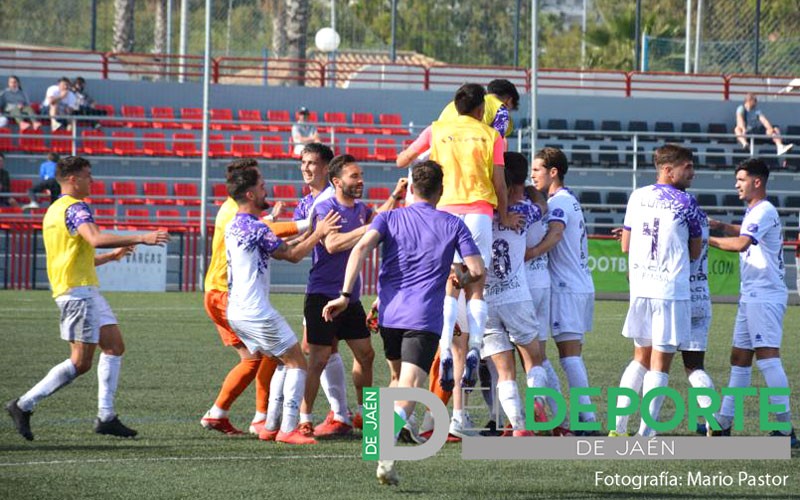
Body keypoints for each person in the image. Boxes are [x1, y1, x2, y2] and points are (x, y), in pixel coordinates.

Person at [321, 160, 485, 486]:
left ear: (410, 188)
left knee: (396, 380)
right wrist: (460, 275)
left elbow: (360, 249)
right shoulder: (453, 225)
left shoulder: (389, 217)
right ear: (440, 191)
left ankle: (380, 441)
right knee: (410, 384)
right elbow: (476, 270)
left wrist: (344, 294)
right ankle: (385, 448)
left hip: (390, 315)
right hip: (423, 317)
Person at [5, 156, 170, 441]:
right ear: (73, 179)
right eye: (88, 176)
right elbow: (93, 238)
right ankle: (23, 404)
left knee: (115, 347)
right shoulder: (75, 207)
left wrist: (112, 257)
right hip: (77, 294)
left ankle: (106, 416)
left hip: (84, 290)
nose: (92, 181)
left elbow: (75, 256)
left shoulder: (55, 209)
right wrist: (142, 236)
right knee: (80, 363)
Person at [396, 83, 520, 439]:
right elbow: (498, 178)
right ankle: (477, 345)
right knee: (476, 279)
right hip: (479, 212)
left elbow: (403, 159)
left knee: (452, 282)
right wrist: (505, 213)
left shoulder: (437, 129)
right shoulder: (491, 135)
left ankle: (445, 355)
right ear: (481, 108)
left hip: (445, 211)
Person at [223, 166, 341, 445]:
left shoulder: (238, 224)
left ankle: (270, 425)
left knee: (280, 361)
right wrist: (319, 232)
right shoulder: (256, 226)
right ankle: (289, 428)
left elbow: (279, 245)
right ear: (251, 193)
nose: (267, 189)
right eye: (262, 186)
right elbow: (291, 254)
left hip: (238, 311)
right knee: (298, 362)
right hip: (255, 311)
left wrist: (310, 232)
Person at [613, 144, 704, 437]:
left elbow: (625, 245)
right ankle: (646, 432)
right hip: (669, 290)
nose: (692, 172)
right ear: (668, 169)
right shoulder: (687, 202)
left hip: (641, 287)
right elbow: (694, 251)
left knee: (640, 356)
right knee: (660, 363)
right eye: (687, 167)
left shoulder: (637, 196)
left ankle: (618, 427)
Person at [707, 158, 797, 447]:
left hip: (764, 295)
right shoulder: (756, 211)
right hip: (752, 295)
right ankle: (724, 421)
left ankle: (785, 430)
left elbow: (742, 244)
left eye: (741, 179)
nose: (736, 184)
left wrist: (705, 238)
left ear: (757, 182)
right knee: (740, 358)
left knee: (768, 357)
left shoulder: (764, 210)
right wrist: (721, 225)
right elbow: (744, 232)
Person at [298, 154, 383, 438]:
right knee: (319, 358)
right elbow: (332, 244)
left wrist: (392, 204)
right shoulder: (327, 207)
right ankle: (305, 417)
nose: (360, 181)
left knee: (366, 354)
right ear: (337, 181)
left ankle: (365, 414)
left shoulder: (363, 209)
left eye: (360, 176)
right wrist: (366, 229)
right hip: (322, 295)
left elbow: (382, 222)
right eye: (354, 176)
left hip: (350, 297)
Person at [201, 159, 283, 437]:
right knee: (266, 353)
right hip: (225, 293)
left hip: (221, 292)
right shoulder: (234, 211)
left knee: (259, 356)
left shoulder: (233, 209)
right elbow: (267, 234)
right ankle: (258, 417)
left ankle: (220, 414)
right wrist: (308, 225)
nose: (263, 187)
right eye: (259, 181)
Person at [527, 147, 598, 433]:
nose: (533, 176)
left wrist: (530, 252)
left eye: (537, 170)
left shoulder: (559, 204)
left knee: (569, 357)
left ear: (553, 172)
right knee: (565, 355)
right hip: (578, 283)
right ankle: (569, 417)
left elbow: (555, 235)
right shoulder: (569, 200)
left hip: (567, 287)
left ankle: (587, 420)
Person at [481, 152, 549, 436]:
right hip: (516, 296)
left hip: (485, 299)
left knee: (504, 372)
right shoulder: (525, 210)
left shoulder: (481, 215)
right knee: (534, 359)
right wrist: (533, 191)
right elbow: (543, 208)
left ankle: (519, 427)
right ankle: (539, 410)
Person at [438, 78, 520, 140]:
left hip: (441, 151)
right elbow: (496, 147)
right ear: (509, 101)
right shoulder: (502, 111)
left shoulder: (455, 103)